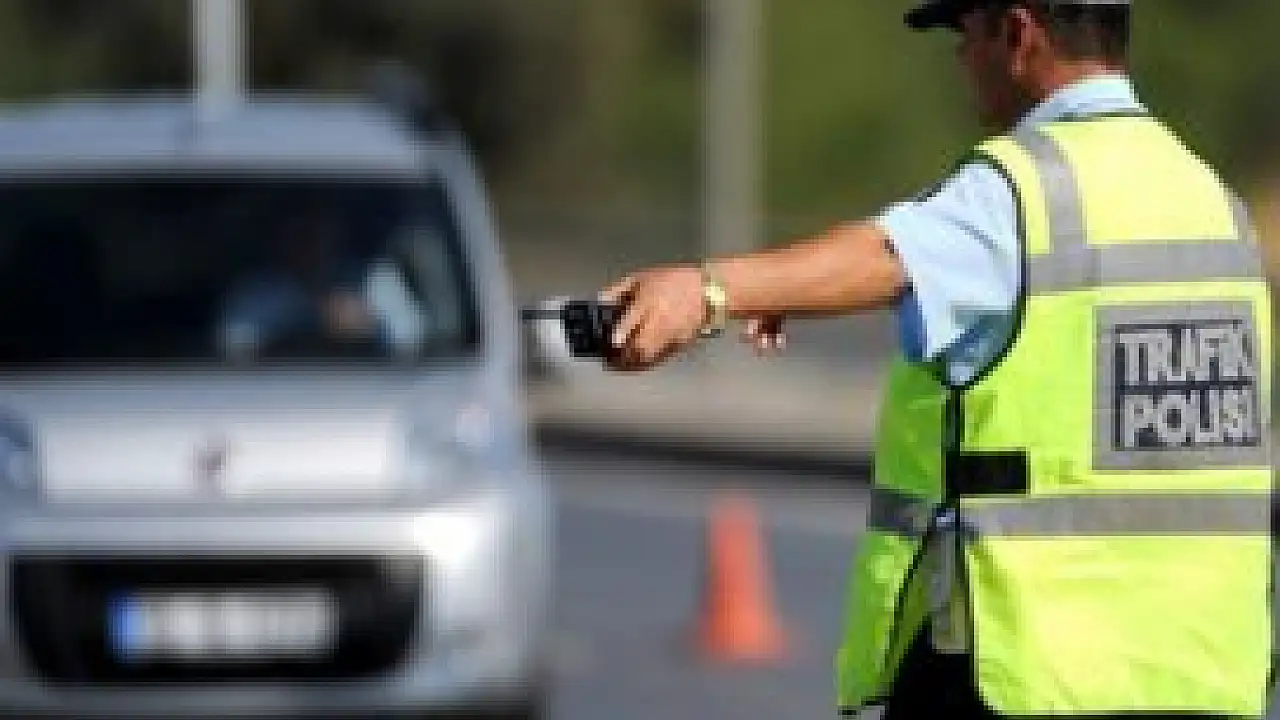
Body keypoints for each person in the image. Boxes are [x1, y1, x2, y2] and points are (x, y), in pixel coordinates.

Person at [597, 0, 1274, 718]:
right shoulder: (1213, 201)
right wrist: (793, 293)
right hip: (1202, 672)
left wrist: (706, 291)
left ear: (1018, 34)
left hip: (1032, 678)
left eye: (965, 32)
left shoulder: (1022, 190)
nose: (959, 57)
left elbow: (884, 256)